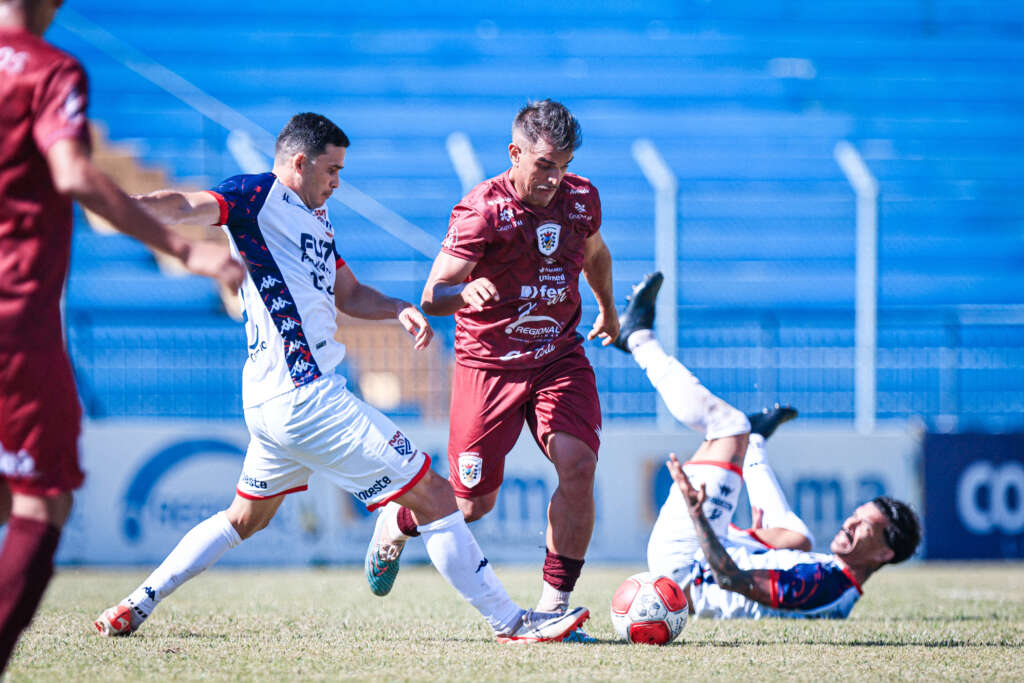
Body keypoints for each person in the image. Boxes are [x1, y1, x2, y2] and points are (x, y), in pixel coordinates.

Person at [92, 112, 589, 643]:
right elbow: (186, 205)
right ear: (299, 162)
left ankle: (137, 602)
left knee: (244, 520)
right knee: (438, 497)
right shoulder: (256, 196)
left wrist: (399, 307)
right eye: (331, 170)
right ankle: (512, 623)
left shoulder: (317, 220)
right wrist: (123, 208)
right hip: (307, 395)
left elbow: (347, 295)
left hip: (271, 401)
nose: (337, 182)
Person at [0, 0, 247, 672]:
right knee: (41, 498)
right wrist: (186, 250)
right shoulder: (49, 69)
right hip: (14, 316)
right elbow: (73, 174)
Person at [365, 100, 617, 628]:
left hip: (558, 355)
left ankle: (553, 610)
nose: (555, 177)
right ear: (514, 153)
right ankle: (396, 521)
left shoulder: (581, 199)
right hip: (489, 366)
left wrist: (609, 311)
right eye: (545, 164)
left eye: (564, 164)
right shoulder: (483, 209)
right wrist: (464, 294)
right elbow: (433, 293)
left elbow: (595, 255)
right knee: (473, 505)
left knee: (579, 465)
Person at [612, 272, 921, 619]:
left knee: (730, 426)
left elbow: (728, 577)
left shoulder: (822, 583)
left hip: (683, 568)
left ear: (884, 554)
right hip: (702, 558)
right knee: (799, 538)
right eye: (856, 515)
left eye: (864, 526)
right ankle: (754, 442)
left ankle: (637, 337)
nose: (848, 523)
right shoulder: (838, 584)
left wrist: (698, 515)